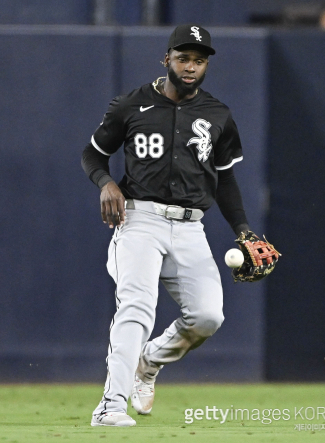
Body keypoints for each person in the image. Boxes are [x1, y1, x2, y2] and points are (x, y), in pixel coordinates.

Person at [81, 24, 269, 427]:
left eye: (199, 61)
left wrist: (243, 229)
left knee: (207, 317)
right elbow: (92, 154)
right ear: (166, 59)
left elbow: (225, 180)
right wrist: (106, 183)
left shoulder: (218, 114)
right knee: (136, 306)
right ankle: (110, 406)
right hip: (139, 219)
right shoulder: (130, 105)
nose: (190, 67)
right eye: (183, 58)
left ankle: (149, 361)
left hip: (190, 227)